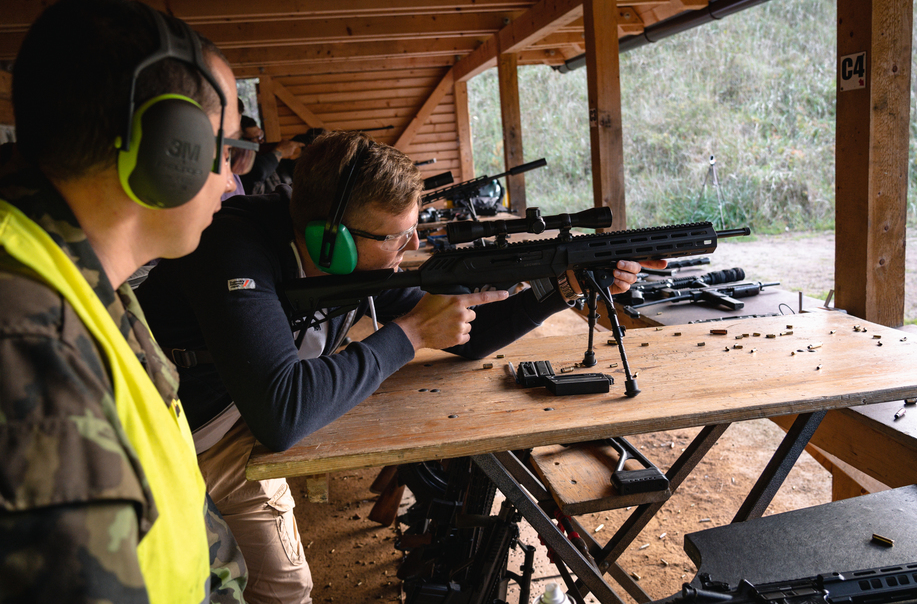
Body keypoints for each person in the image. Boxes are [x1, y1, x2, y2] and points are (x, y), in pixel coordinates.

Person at [135, 129, 657, 602]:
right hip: (174, 437)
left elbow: (468, 333)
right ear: (330, 240)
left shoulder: (351, 259)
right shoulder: (232, 248)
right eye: (394, 237)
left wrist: (564, 286)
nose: (411, 247)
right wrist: (407, 335)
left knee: (284, 589)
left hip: (241, 418)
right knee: (233, 589)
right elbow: (283, 413)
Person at [0, 0, 248, 603]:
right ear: (171, 149)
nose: (230, 179)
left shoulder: (85, 279)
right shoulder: (31, 342)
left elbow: (181, 504)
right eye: (224, 150)